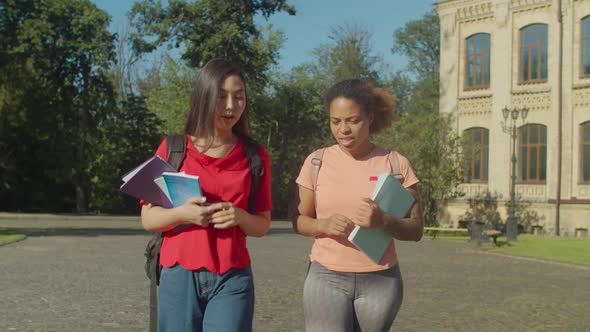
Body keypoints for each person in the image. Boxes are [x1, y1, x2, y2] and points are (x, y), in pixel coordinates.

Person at [140, 59, 272, 332]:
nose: (231, 106)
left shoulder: (255, 155)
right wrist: (182, 214)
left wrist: (240, 216)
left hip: (233, 277)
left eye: (239, 97)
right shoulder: (172, 148)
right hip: (178, 275)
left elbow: (262, 225)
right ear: (204, 96)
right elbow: (148, 219)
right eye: (221, 96)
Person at [292, 78, 423, 332]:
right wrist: (324, 224)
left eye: (353, 121)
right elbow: (298, 220)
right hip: (326, 275)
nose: (343, 130)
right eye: (336, 121)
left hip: (381, 281)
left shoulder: (396, 165)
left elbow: (416, 229)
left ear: (370, 118)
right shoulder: (316, 162)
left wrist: (383, 221)